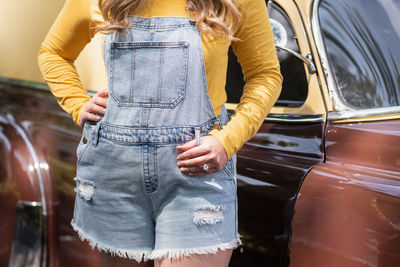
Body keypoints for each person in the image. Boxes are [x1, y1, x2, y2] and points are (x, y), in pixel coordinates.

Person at [38, 0, 282, 266]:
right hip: (114, 173)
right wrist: (77, 103)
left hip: (195, 175)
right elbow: (53, 53)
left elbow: (265, 74)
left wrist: (228, 140)